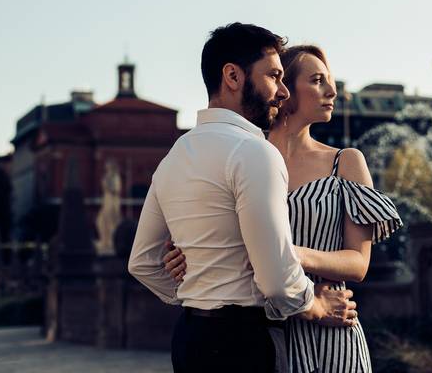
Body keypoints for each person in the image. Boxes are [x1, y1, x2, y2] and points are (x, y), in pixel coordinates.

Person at [128, 24, 357, 373]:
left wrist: (197, 291)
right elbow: (278, 279)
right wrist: (319, 307)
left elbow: (142, 262)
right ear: (232, 76)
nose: (282, 92)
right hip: (245, 343)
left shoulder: (174, 156)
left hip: (190, 340)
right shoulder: (255, 152)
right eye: (274, 76)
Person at [165, 45, 403, 372]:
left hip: (330, 331)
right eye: (318, 80)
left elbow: (359, 262)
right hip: (259, 332)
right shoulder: (243, 157)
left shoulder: (345, 161)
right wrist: (188, 253)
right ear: (284, 86)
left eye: (329, 81)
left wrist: (287, 254)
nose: (331, 90)